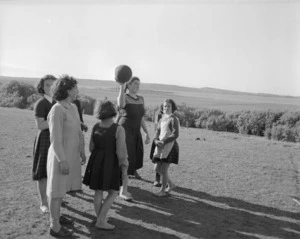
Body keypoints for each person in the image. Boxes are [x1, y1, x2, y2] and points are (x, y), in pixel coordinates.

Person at [46, 75, 86, 237]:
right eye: (75, 88)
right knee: (55, 191)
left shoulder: (73, 107)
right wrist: (62, 160)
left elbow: (77, 131)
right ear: (68, 90)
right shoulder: (57, 109)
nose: (78, 91)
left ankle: (57, 217)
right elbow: (55, 139)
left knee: (62, 190)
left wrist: (82, 151)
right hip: (59, 157)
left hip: (71, 155)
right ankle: (54, 226)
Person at [83, 100, 129, 230]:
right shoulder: (118, 129)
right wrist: (124, 166)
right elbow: (121, 153)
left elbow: (91, 147)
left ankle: (100, 218)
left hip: (96, 161)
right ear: (113, 112)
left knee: (98, 191)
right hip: (111, 163)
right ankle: (101, 220)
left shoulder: (96, 126)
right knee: (114, 191)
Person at [117, 76, 150, 182]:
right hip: (125, 128)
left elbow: (141, 117)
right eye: (135, 83)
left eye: (138, 84)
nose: (137, 86)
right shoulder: (125, 97)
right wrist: (122, 88)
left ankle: (133, 170)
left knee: (137, 151)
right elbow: (120, 104)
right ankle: (122, 175)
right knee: (127, 152)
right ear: (129, 85)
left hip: (136, 130)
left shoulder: (141, 99)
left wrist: (146, 132)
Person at [32, 75, 56, 213]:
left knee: (53, 172)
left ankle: (52, 198)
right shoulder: (41, 103)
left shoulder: (57, 102)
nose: (50, 87)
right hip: (45, 139)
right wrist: (56, 121)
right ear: (42, 87)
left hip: (56, 139)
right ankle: (43, 203)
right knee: (42, 174)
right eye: (47, 85)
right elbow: (40, 125)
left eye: (53, 84)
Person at [151, 99, 180, 197]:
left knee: (164, 169)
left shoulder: (173, 119)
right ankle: (171, 184)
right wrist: (155, 140)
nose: (166, 108)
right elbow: (157, 131)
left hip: (170, 147)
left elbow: (175, 134)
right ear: (162, 108)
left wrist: (164, 142)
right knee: (156, 168)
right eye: (165, 106)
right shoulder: (161, 118)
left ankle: (162, 190)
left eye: (169, 106)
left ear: (173, 108)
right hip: (160, 147)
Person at [151, 104, 164, 187]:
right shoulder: (159, 115)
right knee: (157, 160)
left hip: (167, 142)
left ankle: (163, 179)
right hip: (158, 140)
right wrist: (156, 140)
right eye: (164, 106)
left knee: (164, 161)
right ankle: (157, 179)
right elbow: (156, 128)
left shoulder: (172, 117)